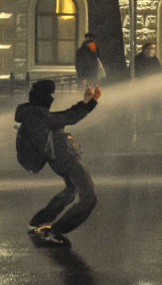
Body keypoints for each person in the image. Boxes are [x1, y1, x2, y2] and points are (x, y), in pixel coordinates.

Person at [16, 80, 101, 246]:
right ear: (44, 96)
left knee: (71, 189)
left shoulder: (35, 113)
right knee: (89, 197)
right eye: (51, 94)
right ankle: (56, 231)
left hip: (63, 158)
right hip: (66, 158)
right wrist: (91, 103)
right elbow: (68, 117)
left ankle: (38, 222)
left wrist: (87, 102)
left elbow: (62, 116)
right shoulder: (36, 116)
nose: (53, 97)